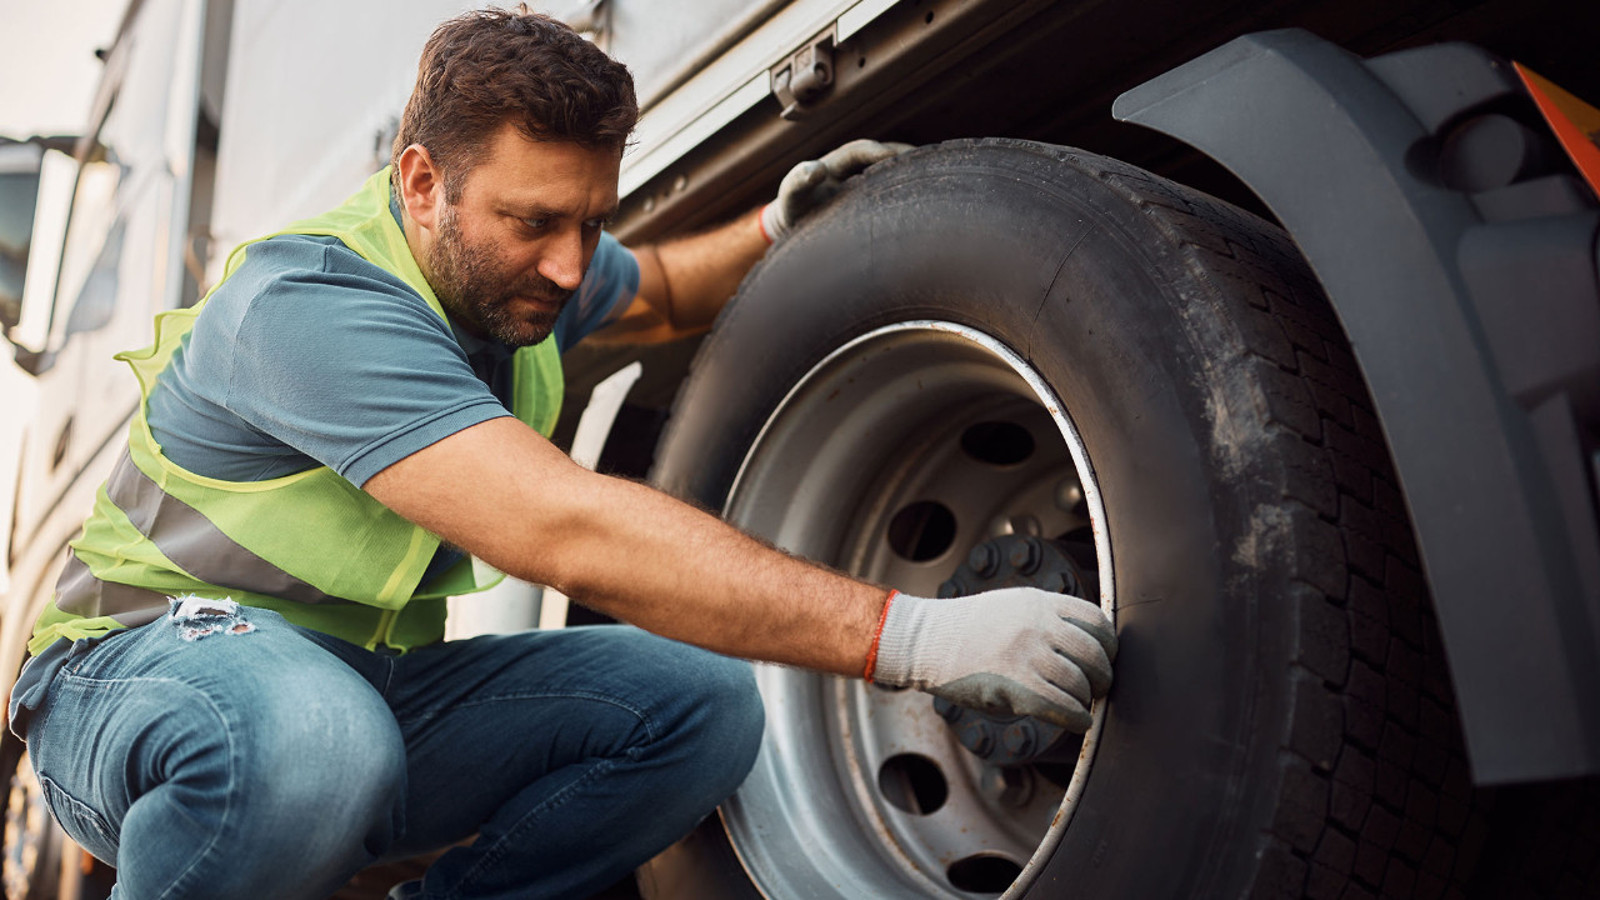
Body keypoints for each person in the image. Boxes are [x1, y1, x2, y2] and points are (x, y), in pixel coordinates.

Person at [7, 8, 1118, 899]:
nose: (568, 263)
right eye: (535, 221)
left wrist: (777, 225)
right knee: (311, 739)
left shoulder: (515, 276)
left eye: (590, 220)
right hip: (137, 676)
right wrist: (913, 634)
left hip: (353, 690)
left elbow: (667, 289)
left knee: (699, 705)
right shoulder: (307, 304)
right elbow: (567, 533)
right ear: (420, 183)